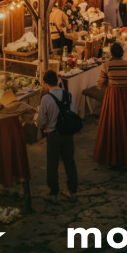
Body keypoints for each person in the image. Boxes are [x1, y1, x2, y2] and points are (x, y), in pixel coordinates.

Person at [36, 69, 79, 199]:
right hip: (68, 134)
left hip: (53, 134)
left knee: (52, 164)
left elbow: (41, 121)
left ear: (45, 84)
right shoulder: (69, 95)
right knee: (69, 162)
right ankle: (73, 192)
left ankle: (54, 193)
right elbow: (74, 113)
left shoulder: (46, 99)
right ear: (59, 81)